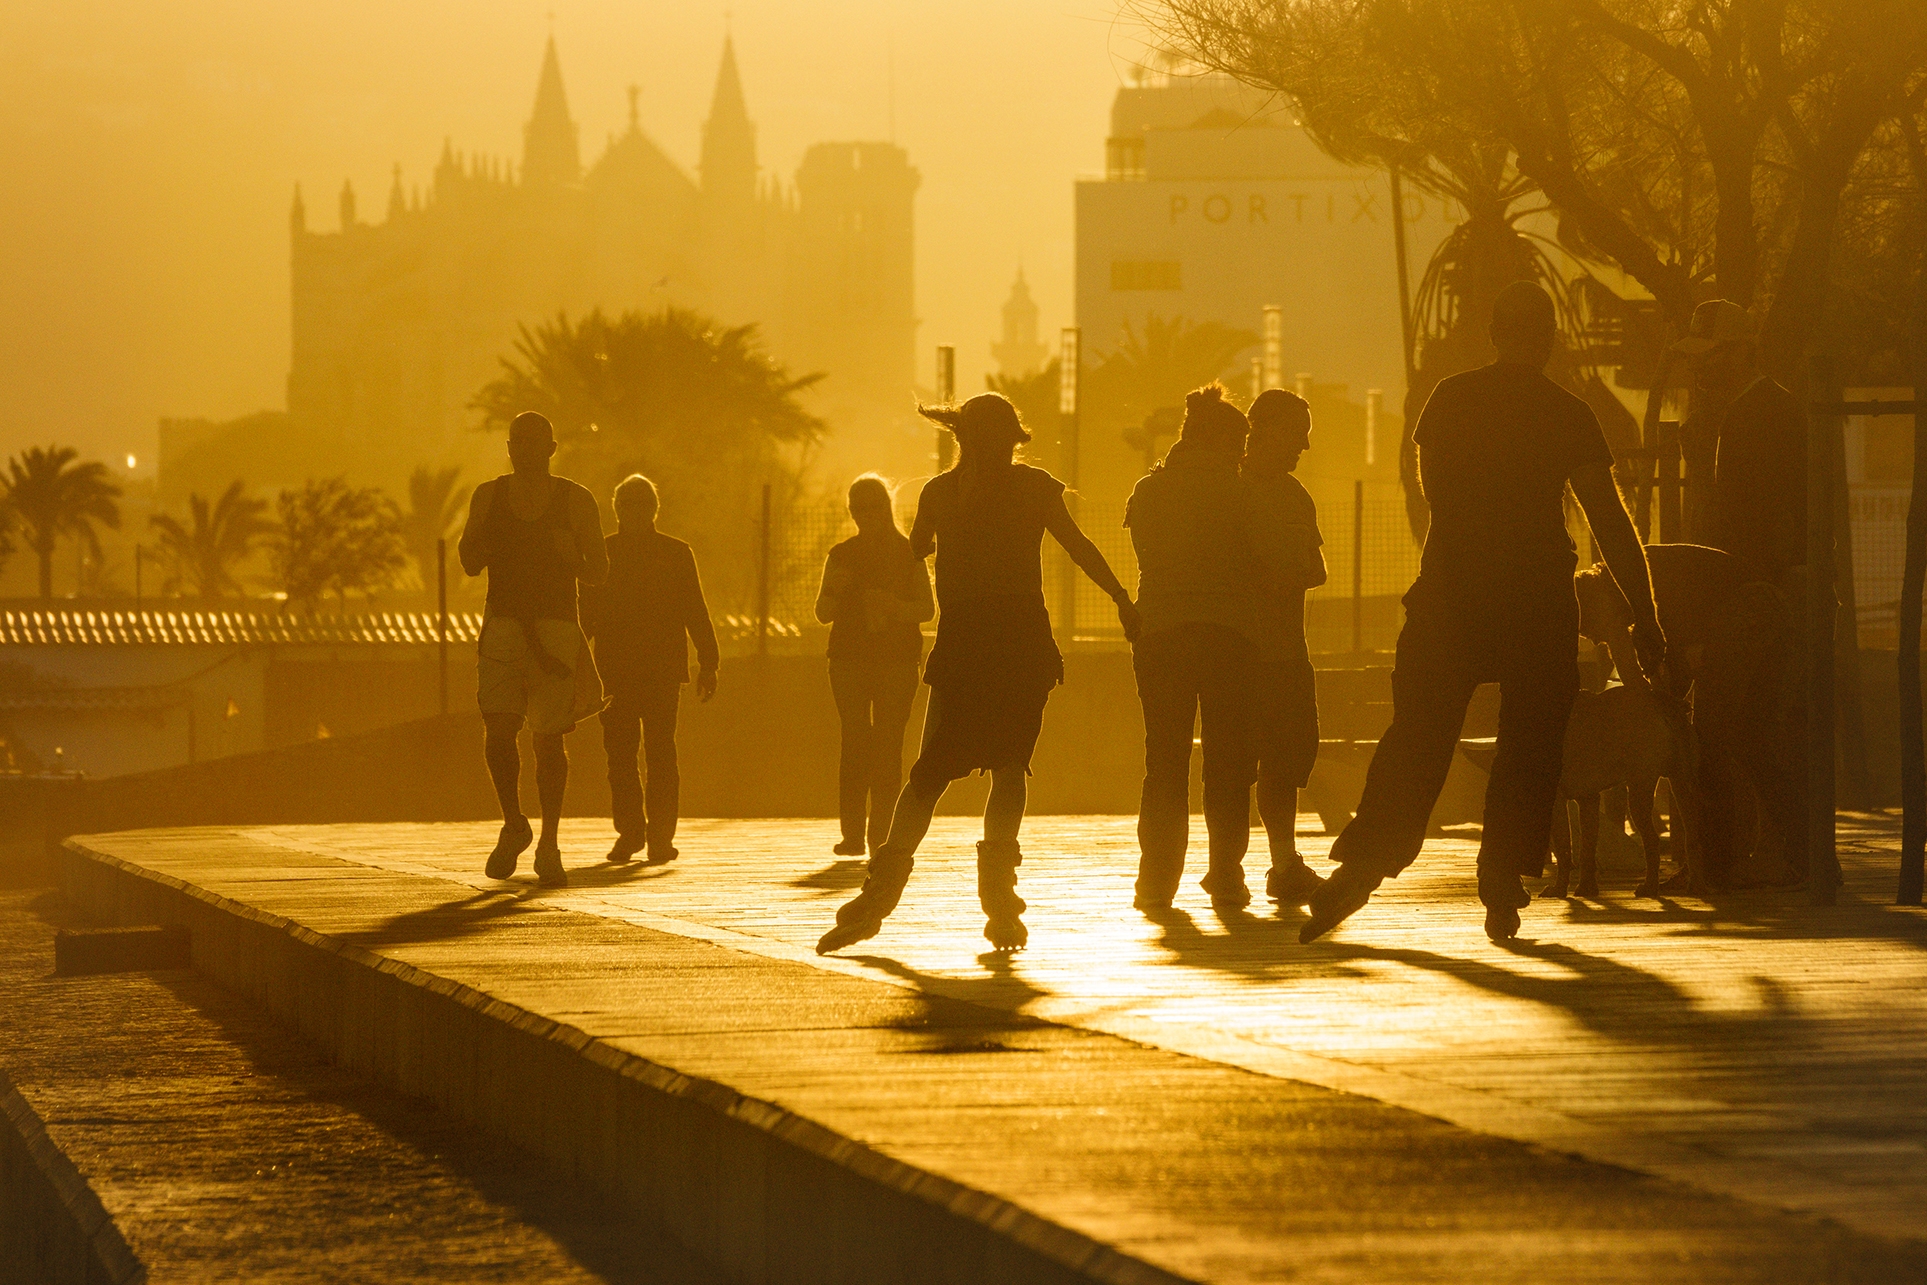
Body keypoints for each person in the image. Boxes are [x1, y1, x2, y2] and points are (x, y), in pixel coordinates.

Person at [1301, 282, 1666, 943]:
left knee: (1417, 733)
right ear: (1549, 338)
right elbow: (1607, 520)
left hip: (1449, 596)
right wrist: (1645, 615)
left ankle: (1363, 863)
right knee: (1530, 745)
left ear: (1493, 334)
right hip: (1534, 601)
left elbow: (1427, 488)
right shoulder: (1566, 412)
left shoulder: (1448, 399)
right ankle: (1501, 880)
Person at [817, 393, 1141, 955]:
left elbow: (914, 550)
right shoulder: (1033, 488)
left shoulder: (939, 494)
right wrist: (1121, 598)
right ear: (1011, 439)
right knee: (1011, 768)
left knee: (930, 771)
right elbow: (1079, 546)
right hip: (1021, 643)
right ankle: (999, 900)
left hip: (964, 645)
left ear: (961, 437)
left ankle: (881, 889)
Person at [1125, 385, 1274, 911]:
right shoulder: (1243, 493)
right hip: (1230, 635)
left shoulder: (1148, 490)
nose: (1244, 455)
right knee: (1229, 761)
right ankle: (1226, 874)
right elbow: (1265, 563)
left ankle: (1156, 881)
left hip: (1161, 634)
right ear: (1223, 442)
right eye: (1240, 444)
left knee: (1163, 760)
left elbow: (1146, 554)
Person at [458, 411, 610, 888]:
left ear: (550, 448)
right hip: (503, 625)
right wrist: (480, 539)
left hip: (557, 629)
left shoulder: (575, 500)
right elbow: (467, 561)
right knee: (499, 730)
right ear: (509, 449)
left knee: (549, 740)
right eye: (517, 442)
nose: (525, 450)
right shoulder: (489, 496)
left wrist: (571, 556)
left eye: (534, 442)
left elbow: (599, 571)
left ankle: (549, 842)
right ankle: (514, 822)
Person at [580, 474, 719, 865]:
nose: (636, 511)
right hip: (616, 673)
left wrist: (709, 662)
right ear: (617, 509)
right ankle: (632, 833)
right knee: (621, 755)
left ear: (654, 509)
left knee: (659, 754)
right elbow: (586, 618)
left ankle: (657, 837)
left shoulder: (675, 554)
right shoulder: (604, 556)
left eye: (642, 504)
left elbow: (695, 609)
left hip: (659, 672)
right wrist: (576, 666)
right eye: (629, 504)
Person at [814, 474, 935, 856]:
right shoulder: (841, 555)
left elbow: (928, 609)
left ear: (886, 508)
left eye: (873, 508)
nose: (866, 516)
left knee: (887, 745)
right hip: (849, 659)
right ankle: (853, 836)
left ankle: (879, 834)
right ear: (852, 512)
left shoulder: (909, 552)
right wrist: (835, 586)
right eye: (859, 509)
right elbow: (822, 612)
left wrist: (895, 609)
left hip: (896, 660)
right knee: (855, 742)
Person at [1243, 388, 1328, 907]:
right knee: (1238, 765)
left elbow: (1315, 569)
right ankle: (1228, 868)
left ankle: (1282, 861)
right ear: (1266, 430)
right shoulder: (1230, 489)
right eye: (1299, 433)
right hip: (1242, 654)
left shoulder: (1295, 495)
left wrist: (1282, 572)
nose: (1305, 446)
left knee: (1291, 759)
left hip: (1288, 653)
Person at [1675, 300, 1807, 583]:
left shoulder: (1762, 413)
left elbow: (1755, 511)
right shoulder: (1748, 407)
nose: (1695, 365)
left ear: (1740, 351)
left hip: (1763, 578)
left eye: (1707, 354)